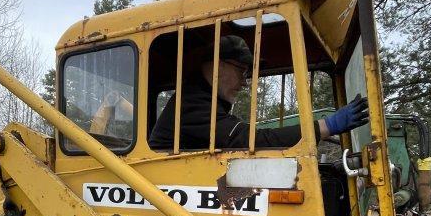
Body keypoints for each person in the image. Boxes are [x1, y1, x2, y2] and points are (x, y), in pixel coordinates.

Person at [148, 35, 369, 150]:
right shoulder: (191, 104)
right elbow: (247, 139)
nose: (245, 83)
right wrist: (326, 126)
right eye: (242, 72)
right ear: (217, 66)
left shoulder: (205, 100)